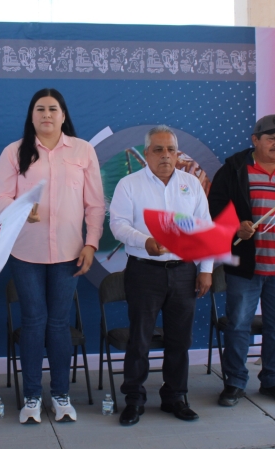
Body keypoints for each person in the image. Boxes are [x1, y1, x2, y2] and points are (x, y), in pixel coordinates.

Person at [0, 88, 105, 424]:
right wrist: (20, 209)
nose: (46, 115)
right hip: (26, 252)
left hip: (69, 252)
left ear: (63, 115)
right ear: (31, 116)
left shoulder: (83, 150)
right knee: (33, 322)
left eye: (53, 109)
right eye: (40, 109)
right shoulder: (14, 152)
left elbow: (95, 204)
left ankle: (60, 395)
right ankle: (30, 397)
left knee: (58, 324)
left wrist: (91, 243)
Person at [109, 125, 213, 426]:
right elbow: (118, 224)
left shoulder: (191, 184)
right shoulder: (129, 184)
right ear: (146, 154)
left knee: (180, 340)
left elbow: (204, 229)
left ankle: (175, 397)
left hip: (184, 272)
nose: (165, 155)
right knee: (139, 339)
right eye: (158, 150)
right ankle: (134, 400)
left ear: (177, 153)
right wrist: (145, 241)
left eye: (171, 150)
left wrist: (206, 271)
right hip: (144, 272)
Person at [208, 114, 275, 407]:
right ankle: (234, 382)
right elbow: (213, 209)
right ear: (255, 140)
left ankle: (272, 380)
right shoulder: (234, 169)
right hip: (245, 268)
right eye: (271, 139)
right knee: (238, 325)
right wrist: (235, 227)